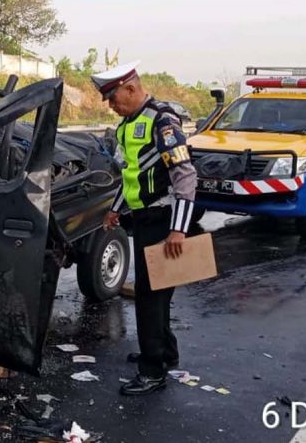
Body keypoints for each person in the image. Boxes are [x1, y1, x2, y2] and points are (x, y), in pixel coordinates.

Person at [91, 60, 198, 396]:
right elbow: (132, 175)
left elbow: (185, 175)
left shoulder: (162, 121)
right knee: (159, 291)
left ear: (132, 88)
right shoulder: (127, 125)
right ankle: (164, 352)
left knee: (150, 297)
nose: (111, 105)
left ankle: (153, 371)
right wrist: (115, 210)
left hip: (164, 220)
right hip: (143, 219)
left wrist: (178, 230)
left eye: (113, 97)